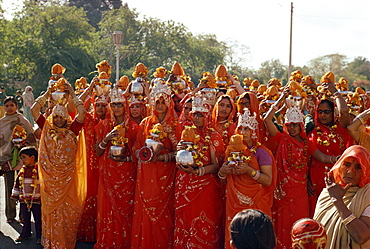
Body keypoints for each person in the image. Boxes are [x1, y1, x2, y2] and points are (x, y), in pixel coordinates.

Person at [264, 87, 339, 249]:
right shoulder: (281, 138)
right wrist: (280, 100)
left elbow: (321, 157)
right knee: (282, 225)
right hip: (282, 192)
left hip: (300, 193)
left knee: (300, 226)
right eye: (289, 125)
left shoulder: (307, 144)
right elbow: (267, 120)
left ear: (300, 126)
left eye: (295, 125)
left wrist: (336, 159)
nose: (291, 129)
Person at [36, 80, 87, 248]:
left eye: (61, 116)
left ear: (66, 117)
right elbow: (33, 110)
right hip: (50, 182)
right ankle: (52, 244)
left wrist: (72, 93)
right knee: (51, 213)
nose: (58, 120)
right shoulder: (46, 128)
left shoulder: (73, 129)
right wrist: (47, 92)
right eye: (56, 116)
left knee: (68, 214)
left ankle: (65, 243)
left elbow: (82, 113)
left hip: (68, 181)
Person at [219, 108, 277, 249]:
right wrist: (222, 172)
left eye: (247, 129)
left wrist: (249, 170)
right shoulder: (231, 150)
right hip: (234, 202)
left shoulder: (261, 152)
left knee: (256, 237)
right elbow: (224, 180)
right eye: (240, 129)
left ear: (253, 131)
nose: (243, 133)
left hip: (256, 202)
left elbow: (268, 180)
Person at [174, 94, 225, 248]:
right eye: (194, 115)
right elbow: (180, 158)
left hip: (206, 187)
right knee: (185, 222)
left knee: (205, 223)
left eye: (199, 115)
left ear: (207, 116)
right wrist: (179, 155)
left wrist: (198, 172)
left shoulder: (214, 136)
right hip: (184, 184)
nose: (196, 118)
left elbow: (217, 166)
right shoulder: (187, 133)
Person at [131, 82, 178, 248]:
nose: (159, 106)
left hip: (166, 177)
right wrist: (144, 154)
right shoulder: (145, 123)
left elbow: (179, 152)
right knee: (145, 213)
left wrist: (163, 158)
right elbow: (136, 147)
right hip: (146, 174)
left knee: (164, 215)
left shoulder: (175, 125)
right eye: (157, 102)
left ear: (169, 103)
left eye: (163, 102)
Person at [93, 88, 137, 248]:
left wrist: (125, 158)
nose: (117, 107)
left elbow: (137, 156)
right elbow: (97, 152)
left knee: (125, 211)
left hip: (127, 177)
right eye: (114, 104)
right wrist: (106, 139)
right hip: (108, 176)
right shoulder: (103, 125)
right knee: (108, 210)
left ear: (125, 106)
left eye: (120, 104)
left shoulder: (134, 127)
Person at [308, 72, 353, 217]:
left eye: (327, 112)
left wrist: (335, 92)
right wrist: (335, 159)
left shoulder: (341, 128)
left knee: (337, 216)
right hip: (317, 180)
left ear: (333, 112)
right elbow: (318, 156)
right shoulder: (313, 131)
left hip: (339, 179)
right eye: (320, 111)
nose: (323, 115)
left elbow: (344, 111)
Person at [314, 145, 370, 248]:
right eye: (347, 165)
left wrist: (338, 201)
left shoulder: (367, 195)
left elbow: (362, 237)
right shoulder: (327, 193)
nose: (350, 171)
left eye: (358, 167)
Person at [0, 96, 36, 223]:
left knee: (23, 187)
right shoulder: (1, 122)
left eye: (12, 105)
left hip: (23, 159)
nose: (9, 108)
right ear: (4, 107)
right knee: (9, 187)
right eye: (7, 106)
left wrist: (22, 145)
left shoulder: (22, 120)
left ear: (16, 106)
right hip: (7, 159)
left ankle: (23, 215)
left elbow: (31, 135)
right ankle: (10, 215)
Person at [11, 146, 42, 244]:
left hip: (36, 200)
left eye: (24, 157)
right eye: (21, 158)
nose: (22, 160)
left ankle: (40, 236)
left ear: (32, 157)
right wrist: (15, 196)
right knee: (25, 218)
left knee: (38, 219)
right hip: (24, 200)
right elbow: (17, 184)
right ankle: (25, 234)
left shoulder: (39, 170)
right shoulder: (22, 171)